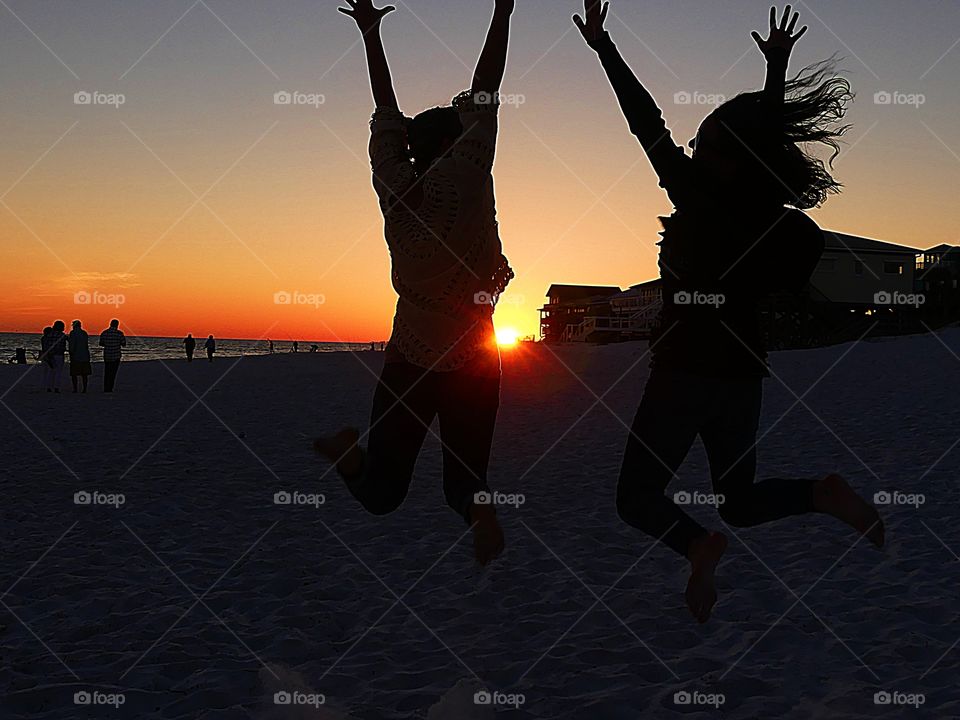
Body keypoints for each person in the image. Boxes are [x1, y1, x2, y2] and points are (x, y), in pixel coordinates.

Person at [574, 2, 884, 622]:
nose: (691, 147)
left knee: (636, 498)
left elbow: (645, 122)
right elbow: (759, 140)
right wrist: (776, 71)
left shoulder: (693, 194)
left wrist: (604, 48)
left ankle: (697, 545)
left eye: (704, 142)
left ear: (726, 156)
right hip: (742, 374)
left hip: (684, 371)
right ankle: (821, 495)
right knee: (738, 499)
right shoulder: (770, 211)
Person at [316, 0, 516, 566]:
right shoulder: (470, 175)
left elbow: (384, 110)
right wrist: (503, 11)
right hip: (475, 352)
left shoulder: (396, 192)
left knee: (382, 494)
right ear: (458, 141)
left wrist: (370, 35)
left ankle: (350, 457)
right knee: (466, 481)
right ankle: (478, 511)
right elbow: (487, 84)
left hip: (411, 351)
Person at [98, 319, 126, 392]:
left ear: (110, 324)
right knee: (113, 373)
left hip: (107, 355)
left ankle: (106, 387)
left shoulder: (104, 333)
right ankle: (110, 388)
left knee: (107, 372)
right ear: (117, 325)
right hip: (116, 355)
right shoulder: (119, 333)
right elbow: (123, 344)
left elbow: (101, 343)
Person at [40, 324, 66, 392]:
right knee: (58, 371)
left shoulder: (49, 335)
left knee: (51, 371)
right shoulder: (62, 335)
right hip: (59, 354)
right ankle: (56, 387)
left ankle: (49, 387)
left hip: (50, 354)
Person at [68, 320, 92, 393]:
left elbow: (72, 345)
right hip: (85, 355)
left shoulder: (73, 333)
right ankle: (84, 389)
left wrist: (71, 353)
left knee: (74, 374)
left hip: (76, 356)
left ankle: (75, 389)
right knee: (84, 374)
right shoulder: (84, 333)